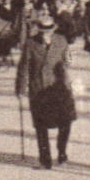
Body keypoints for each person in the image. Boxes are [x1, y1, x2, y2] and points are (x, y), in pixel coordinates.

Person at [16, 12, 76, 169]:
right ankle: (45, 160)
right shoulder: (30, 44)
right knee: (41, 126)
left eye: (48, 31)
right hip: (39, 88)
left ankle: (62, 153)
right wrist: (21, 89)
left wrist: (67, 65)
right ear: (39, 30)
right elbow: (23, 67)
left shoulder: (61, 40)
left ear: (53, 30)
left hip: (58, 88)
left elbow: (68, 60)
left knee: (65, 121)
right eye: (43, 31)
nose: (46, 34)